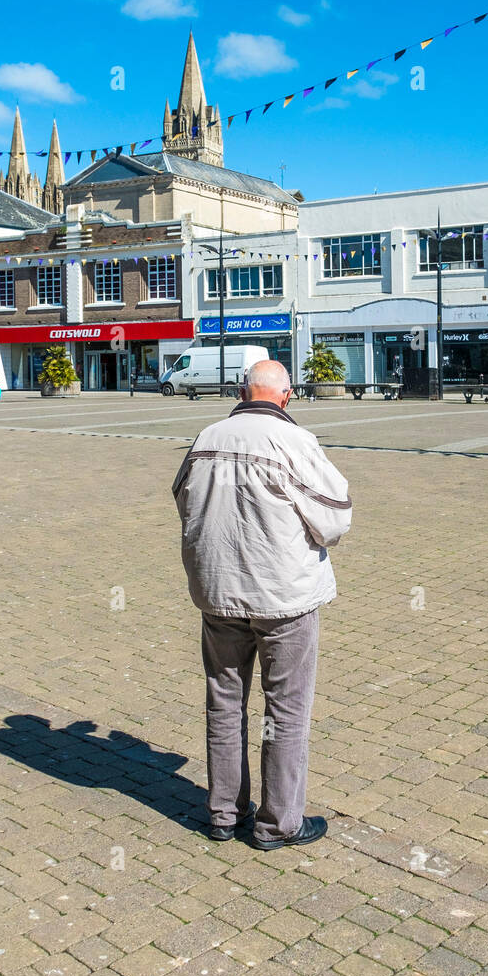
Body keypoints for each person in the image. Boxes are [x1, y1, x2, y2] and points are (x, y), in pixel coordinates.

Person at [173, 359, 352, 851]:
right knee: (286, 710)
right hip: (283, 599)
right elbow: (335, 518)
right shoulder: (294, 442)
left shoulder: (207, 436)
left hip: (217, 594)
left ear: (240, 391)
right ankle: (278, 823)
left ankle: (224, 814)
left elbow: (182, 497)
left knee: (224, 704)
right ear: (286, 397)